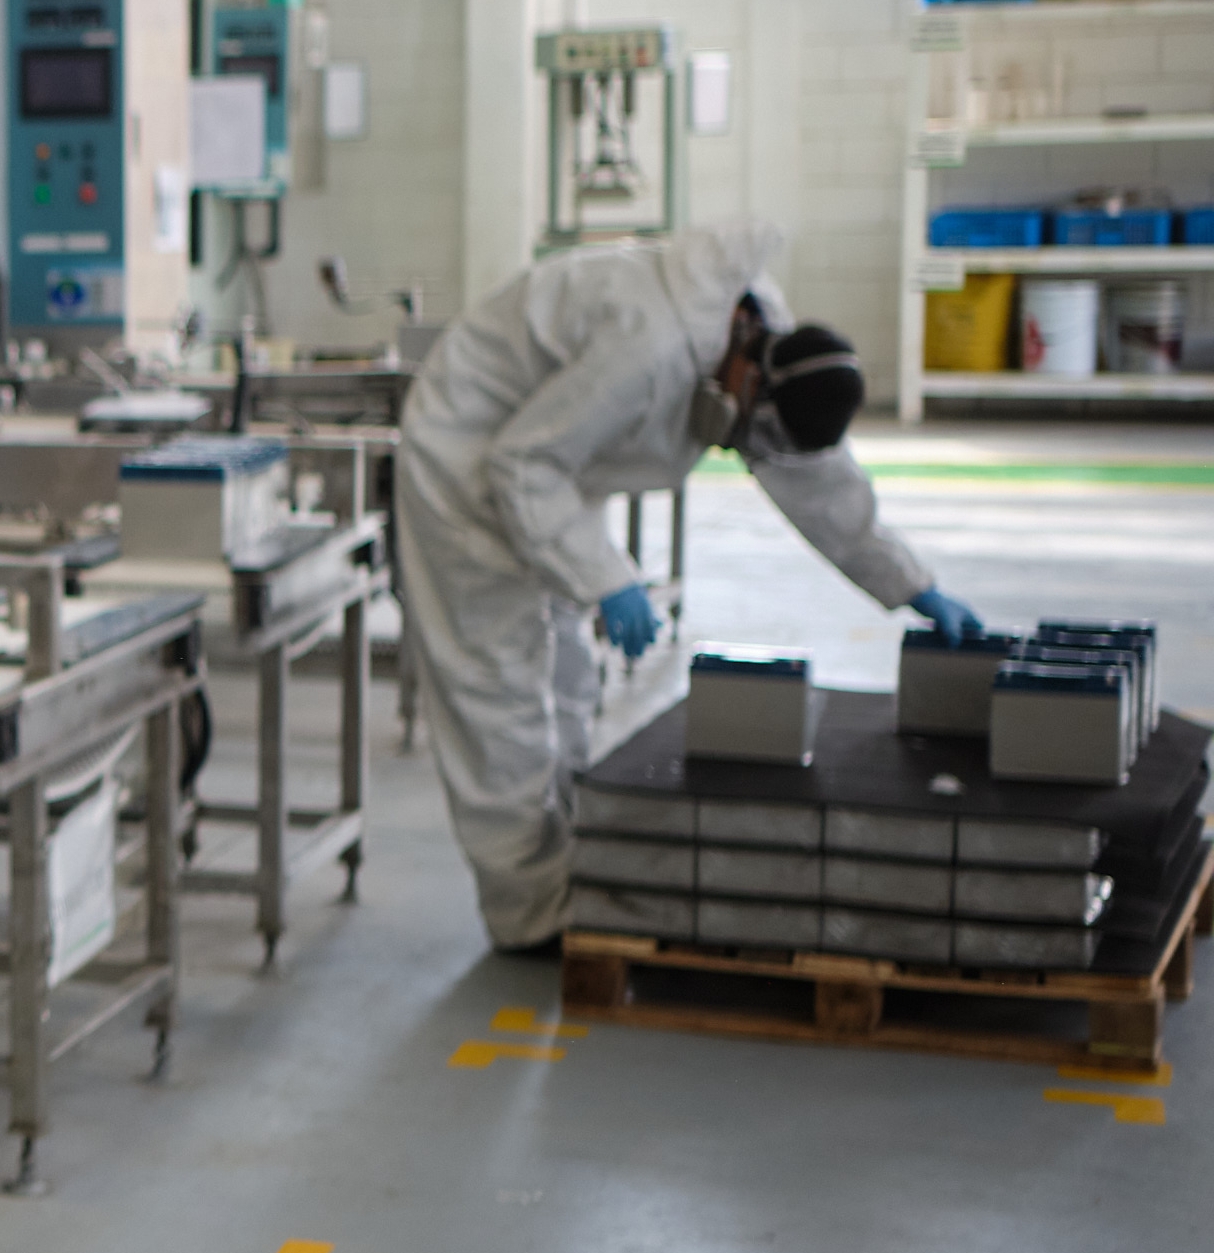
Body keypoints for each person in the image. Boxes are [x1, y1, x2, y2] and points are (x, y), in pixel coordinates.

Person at [396, 215, 988, 956]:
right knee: (500, 691)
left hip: (549, 463)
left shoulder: (759, 332)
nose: (747, 446)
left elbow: (815, 482)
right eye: (755, 431)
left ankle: (573, 859)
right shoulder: (649, 349)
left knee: (571, 679)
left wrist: (911, 584)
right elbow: (520, 465)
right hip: (467, 457)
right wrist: (609, 578)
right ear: (753, 372)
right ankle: (529, 914)